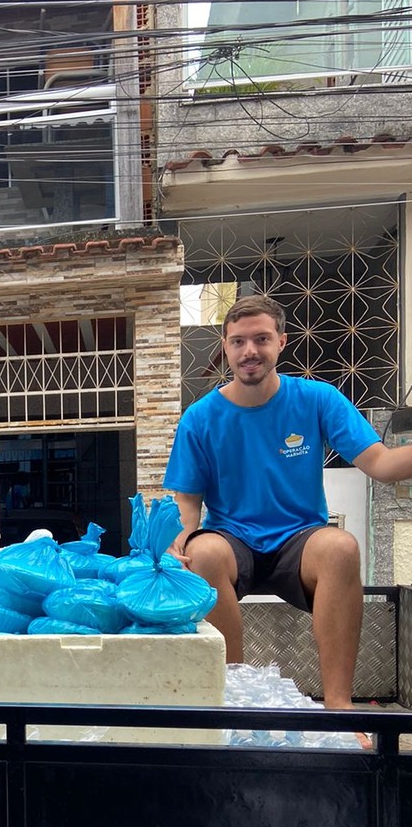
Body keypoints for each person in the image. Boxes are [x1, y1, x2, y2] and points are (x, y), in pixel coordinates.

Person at [164, 291, 412, 710]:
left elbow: (382, 463)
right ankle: (233, 703)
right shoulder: (200, 418)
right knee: (200, 552)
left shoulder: (318, 399)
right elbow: (187, 502)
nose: (249, 351)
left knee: (341, 547)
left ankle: (340, 708)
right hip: (233, 541)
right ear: (226, 348)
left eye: (261, 339)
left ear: (281, 341)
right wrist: (179, 542)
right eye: (238, 341)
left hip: (300, 540)